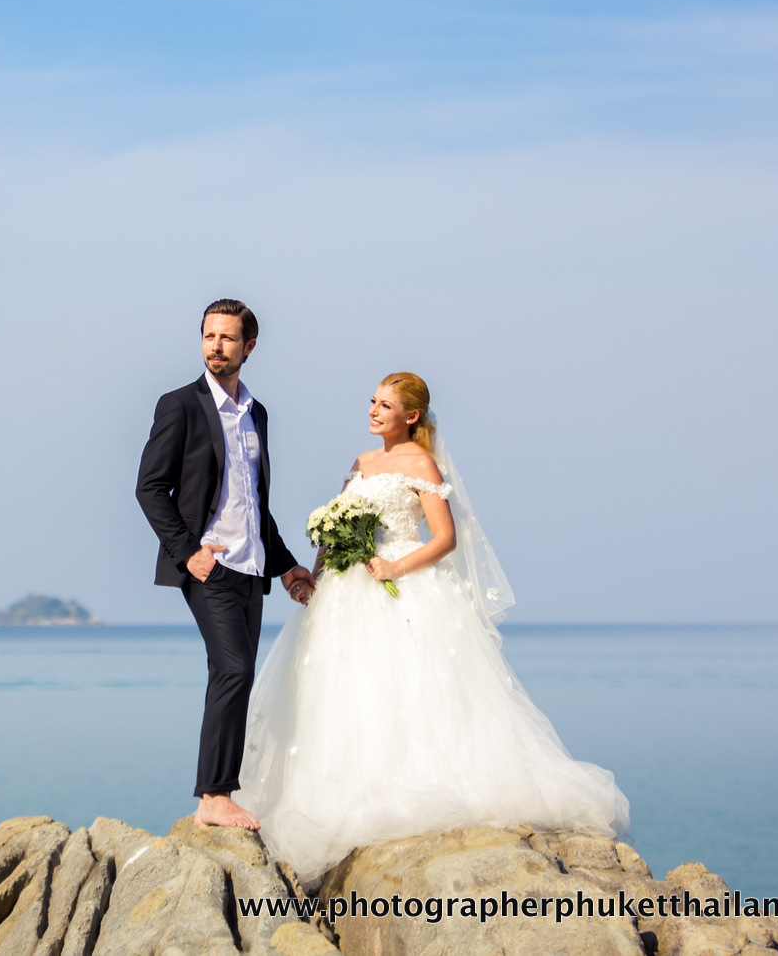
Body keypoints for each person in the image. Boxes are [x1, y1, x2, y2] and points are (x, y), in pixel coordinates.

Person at [238, 372, 631, 882]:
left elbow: (444, 537)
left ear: (411, 415)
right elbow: (334, 529)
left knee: (409, 686)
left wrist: (394, 569)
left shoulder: (420, 462)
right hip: (344, 587)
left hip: (400, 579)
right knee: (342, 691)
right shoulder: (360, 463)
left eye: (386, 405)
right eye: (372, 402)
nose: (374, 411)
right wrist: (312, 579)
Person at [136, 299, 317, 831]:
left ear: (248, 347)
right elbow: (150, 488)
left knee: (236, 674)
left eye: (227, 338)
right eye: (209, 336)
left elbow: (254, 504)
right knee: (233, 670)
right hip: (208, 567)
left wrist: (286, 567)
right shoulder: (180, 405)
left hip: (253, 566)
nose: (216, 346)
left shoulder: (256, 413)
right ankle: (213, 796)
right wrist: (187, 550)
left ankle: (222, 791)